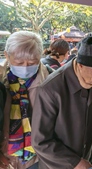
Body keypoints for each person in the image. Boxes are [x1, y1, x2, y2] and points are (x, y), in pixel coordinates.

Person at [31, 35, 92, 169]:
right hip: (58, 165)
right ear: (80, 64)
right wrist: (74, 162)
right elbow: (40, 142)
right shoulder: (50, 90)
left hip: (84, 157)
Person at [0, 31, 51, 169]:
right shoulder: (2, 82)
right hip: (6, 156)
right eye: (19, 62)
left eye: (32, 62)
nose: (25, 67)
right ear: (7, 56)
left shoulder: (51, 81)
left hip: (40, 156)